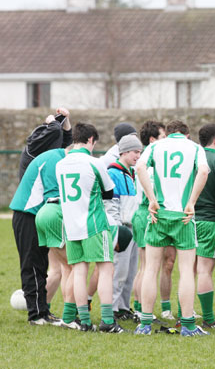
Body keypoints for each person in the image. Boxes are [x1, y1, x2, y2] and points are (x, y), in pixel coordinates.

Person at [135, 120, 209, 337]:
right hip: (183, 216)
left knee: (151, 268)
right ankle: (187, 325)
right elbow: (203, 171)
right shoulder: (195, 148)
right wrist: (192, 202)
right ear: (186, 134)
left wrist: (151, 198)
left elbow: (139, 167)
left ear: (167, 133)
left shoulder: (156, 146)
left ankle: (145, 324)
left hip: (159, 214)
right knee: (186, 270)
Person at [56, 122, 124, 333]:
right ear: (91, 140)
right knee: (105, 268)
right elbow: (109, 192)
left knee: (78, 271)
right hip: (94, 223)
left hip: (71, 225)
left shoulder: (60, 164)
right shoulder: (94, 163)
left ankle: (84, 321)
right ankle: (107, 321)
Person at [10, 147, 70, 325]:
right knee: (32, 264)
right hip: (27, 214)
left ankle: (43, 311)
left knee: (42, 264)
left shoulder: (58, 157)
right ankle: (36, 315)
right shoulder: (53, 158)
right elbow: (53, 196)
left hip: (37, 215)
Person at [33, 146, 78, 328]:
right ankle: (69, 317)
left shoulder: (54, 161)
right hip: (56, 213)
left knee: (57, 268)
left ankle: (43, 310)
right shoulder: (72, 163)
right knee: (73, 266)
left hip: (43, 211)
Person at [131, 120, 167, 321]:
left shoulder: (144, 159)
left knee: (144, 265)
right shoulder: (151, 163)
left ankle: (138, 307)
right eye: (163, 137)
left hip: (140, 213)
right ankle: (143, 310)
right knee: (148, 267)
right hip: (147, 213)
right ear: (153, 140)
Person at [104, 134, 142, 320]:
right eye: (135, 152)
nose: (138, 156)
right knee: (119, 271)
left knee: (130, 271)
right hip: (122, 229)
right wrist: (118, 229)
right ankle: (112, 308)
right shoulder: (113, 173)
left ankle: (124, 307)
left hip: (133, 229)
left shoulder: (132, 173)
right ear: (124, 151)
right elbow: (112, 205)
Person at [195, 123, 215, 329]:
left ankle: (183, 315)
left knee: (187, 271)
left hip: (188, 221)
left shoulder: (192, 159)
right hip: (210, 220)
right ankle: (208, 318)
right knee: (205, 271)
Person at [19, 107, 72, 179]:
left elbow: (67, 140)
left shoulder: (50, 150)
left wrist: (66, 119)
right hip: (31, 190)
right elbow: (55, 129)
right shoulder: (33, 148)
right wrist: (52, 121)